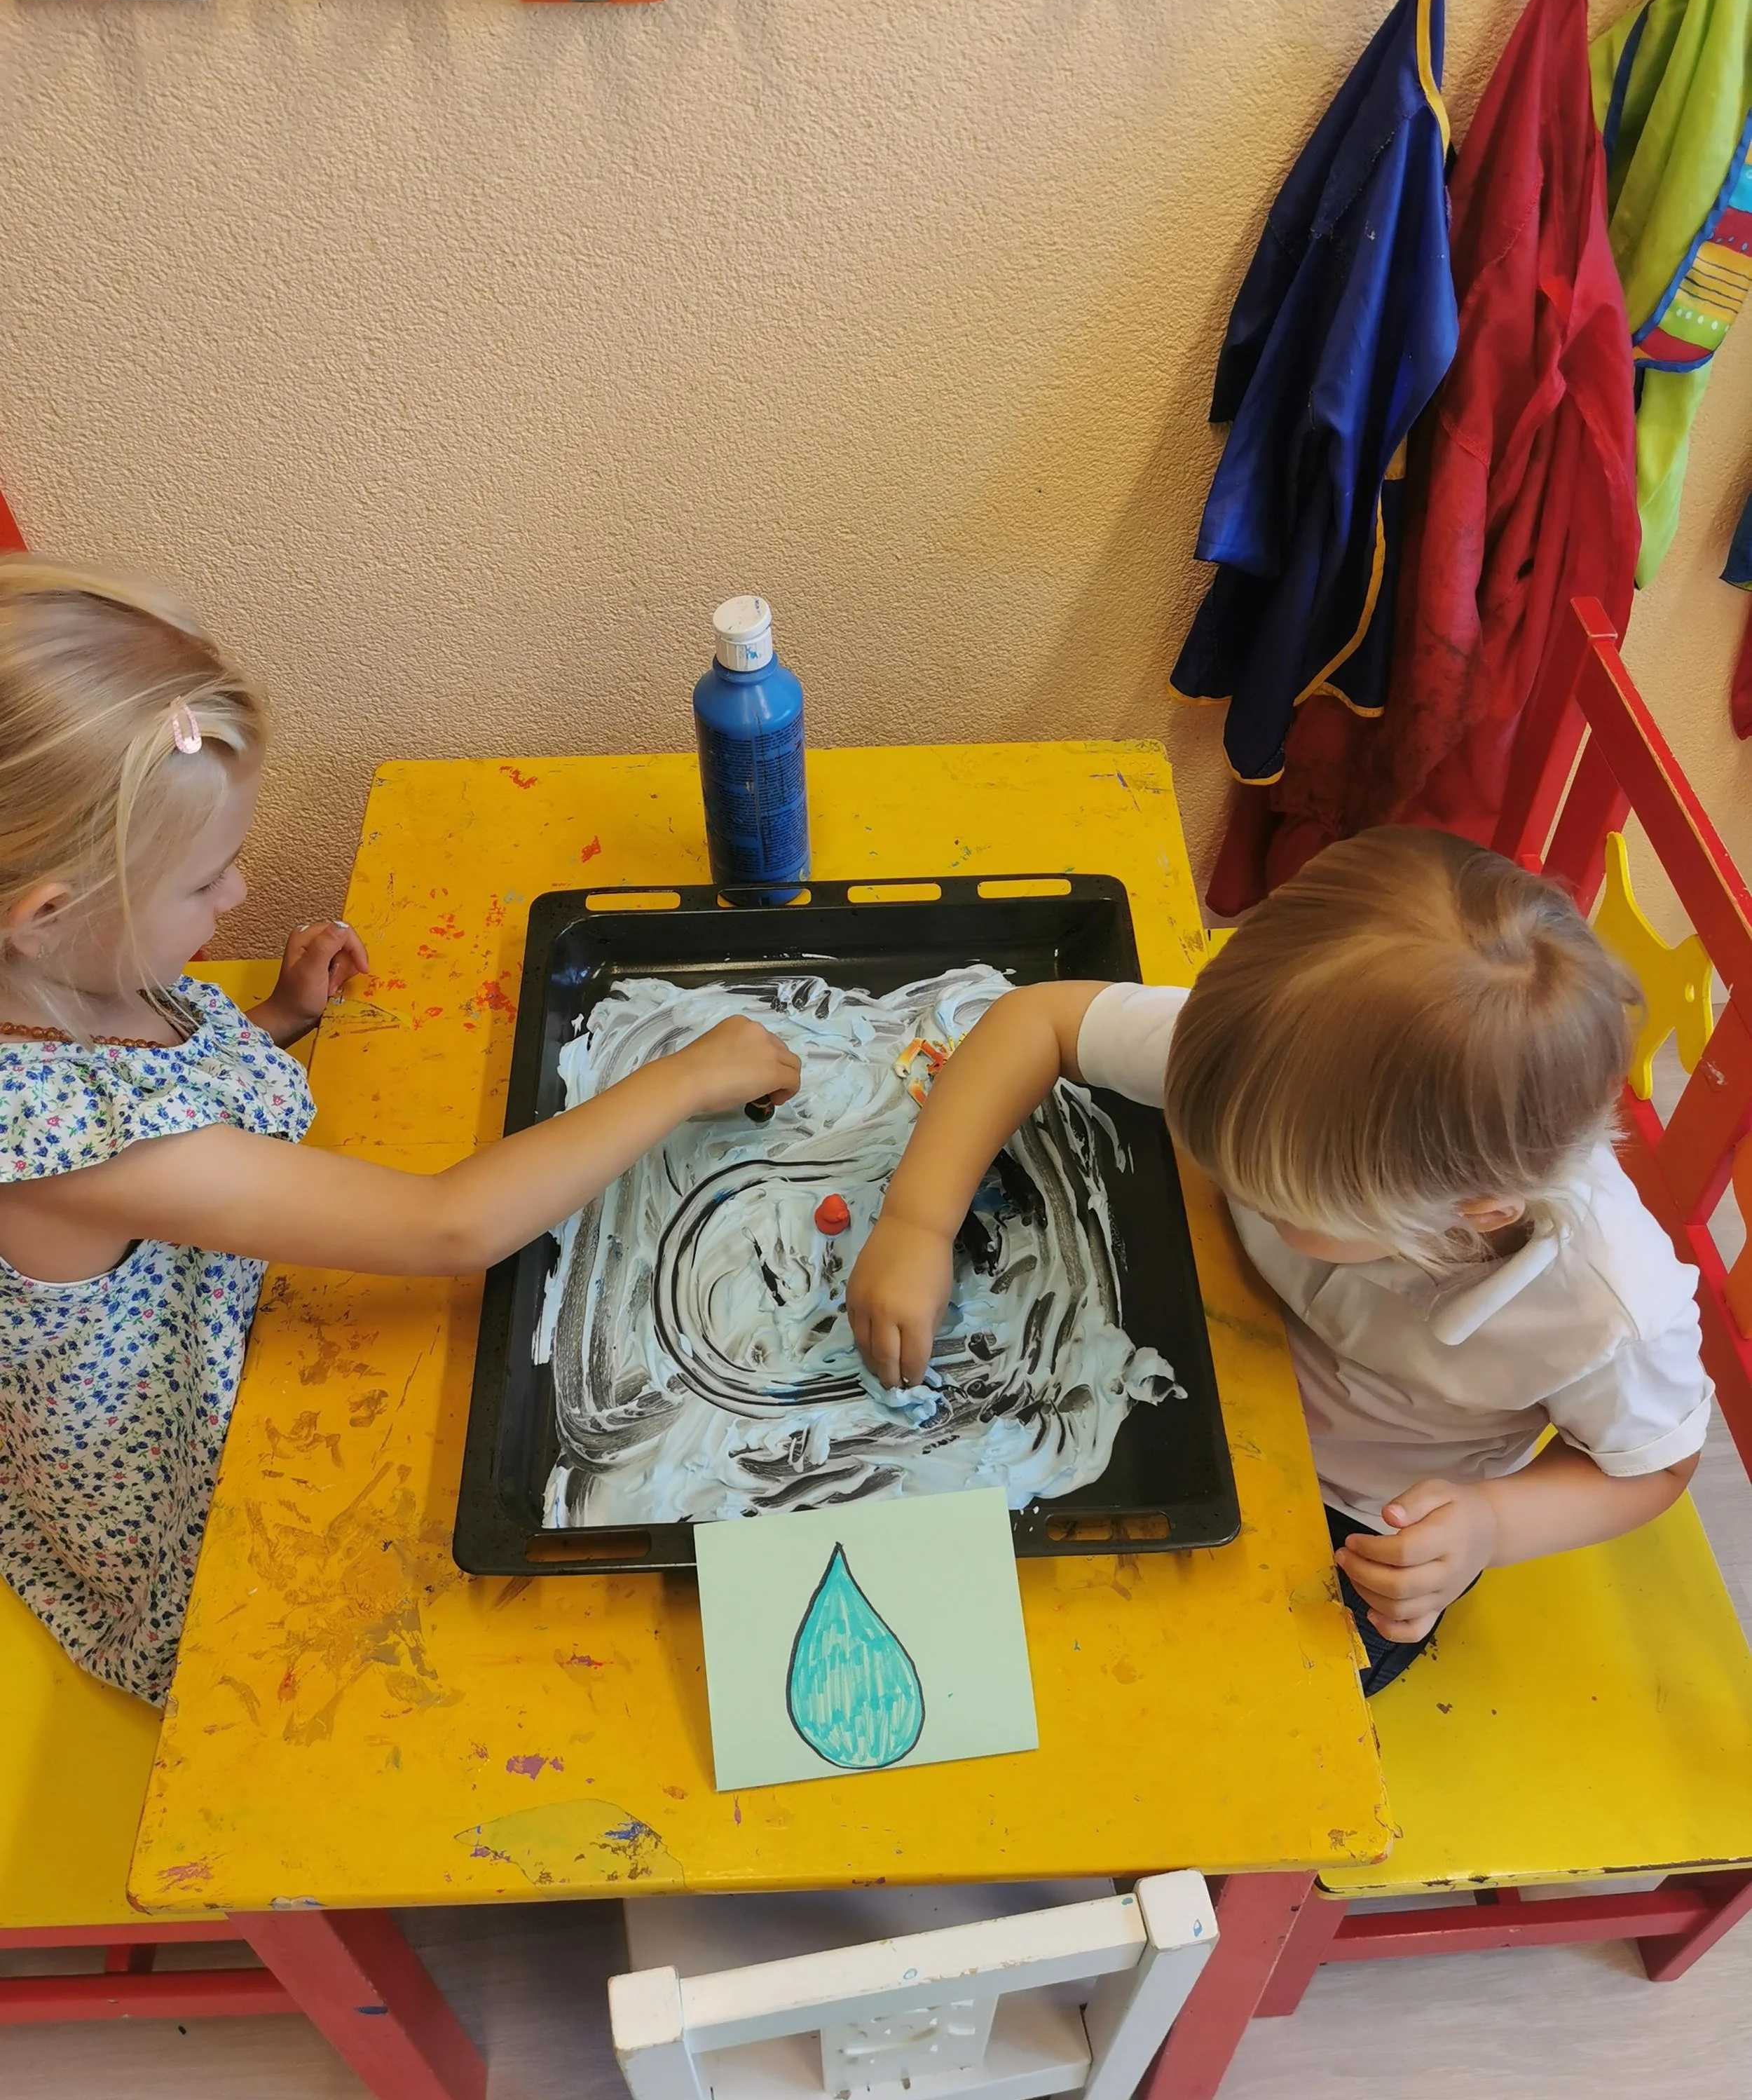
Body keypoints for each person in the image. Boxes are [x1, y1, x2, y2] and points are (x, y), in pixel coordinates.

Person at [0, 559, 799, 1702]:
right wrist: (684, 1075)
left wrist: (271, 1021)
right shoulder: (75, 1142)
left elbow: (149, 1064)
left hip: (223, 1280)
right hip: (193, 1482)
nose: (236, 901)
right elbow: (447, 1223)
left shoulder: (55, 979)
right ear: (45, 915)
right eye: (205, 883)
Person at [847, 826, 1710, 1695]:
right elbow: (1036, 1018)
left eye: (1274, 1197)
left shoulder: (1609, 1312)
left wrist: (1489, 1524)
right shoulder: (1288, 1066)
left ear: (1469, 1215)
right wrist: (919, 1220)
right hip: (1193, 1340)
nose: (1235, 1181)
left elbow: (1656, 1467)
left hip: (1348, 1507)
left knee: (1210, 1699)